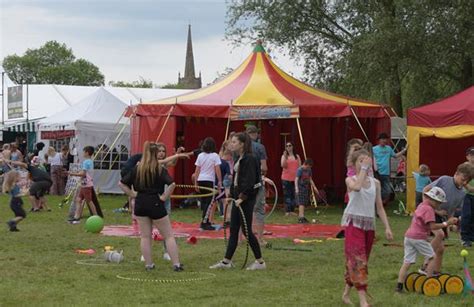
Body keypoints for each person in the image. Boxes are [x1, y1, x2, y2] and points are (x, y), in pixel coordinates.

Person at [119, 141, 190, 271]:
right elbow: (172, 184)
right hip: (155, 203)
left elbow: (121, 183)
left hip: (140, 203)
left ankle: (149, 265)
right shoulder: (159, 168)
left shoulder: (137, 168)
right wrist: (164, 197)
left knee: (145, 236)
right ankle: (176, 264)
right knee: (168, 235)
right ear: (155, 154)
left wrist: (132, 194)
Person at [341, 149, 393, 307]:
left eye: (366, 160)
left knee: (359, 262)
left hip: (368, 226)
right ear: (355, 164)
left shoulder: (375, 183)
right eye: (360, 161)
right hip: (353, 224)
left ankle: (345, 294)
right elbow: (356, 188)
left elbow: (379, 208)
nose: (364, 163)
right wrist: (363, 169)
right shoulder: (350, 180)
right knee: (358, 261)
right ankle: (363, 301)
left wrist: (387, 227)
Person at [209, 132, 266, 270]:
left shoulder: (250, 158)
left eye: (234, 142)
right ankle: (226, 261)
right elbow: (237, 181)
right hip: (237, 199)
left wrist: (242, 197)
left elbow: (251, 182)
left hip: (245, 200)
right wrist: (232, 196)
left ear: (242, 144)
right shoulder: (240, 158)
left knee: (246, 231)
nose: (231, 144)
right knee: (234, 230)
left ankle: (260, 262)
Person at [396, 186, 457, 292]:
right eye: (438, 202)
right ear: (433, 200)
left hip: (409, 237)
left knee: (407, 262)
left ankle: (399, 286)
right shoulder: (429, 210)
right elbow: (432, 227)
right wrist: (447, 223)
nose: (439, 205)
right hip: (418, 238)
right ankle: (429, 282)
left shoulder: (421, 205)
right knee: (432, 257)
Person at [422, 162, 473, 270]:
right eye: (463, 179)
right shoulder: (444, 180)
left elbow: (453, 209)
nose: (464, 183)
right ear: (456, 173)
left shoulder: (462, 193)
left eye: (467, 181)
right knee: (439, 234)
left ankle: (435, 272)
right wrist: (429, 209)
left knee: (440, 249)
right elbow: (425, 190)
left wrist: (449, 222)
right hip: (430, 212)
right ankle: (425, 263)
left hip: (442, 217)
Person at [193, 137, 222, 230]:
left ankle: (206, 221)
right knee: (209, 202)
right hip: (209, 181)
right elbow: (217, 169)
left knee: (205, 201)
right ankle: (204, 222)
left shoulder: (200, 155)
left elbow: (197, 170)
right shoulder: (215, 156)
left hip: (201, 180)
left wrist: (196, 183)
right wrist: (220, 181)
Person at [246, 125, 268, 245]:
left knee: (243, 210)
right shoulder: (260, 147)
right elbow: (264, 167)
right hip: (256, 183)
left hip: (243, 184)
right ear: (255, 134)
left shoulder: (240, 146)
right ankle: (259, 239)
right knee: (259, 210)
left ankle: (240, 238)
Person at [372, 133, 406, 205]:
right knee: (376, 189)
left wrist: (404, 151)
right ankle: (378, 203)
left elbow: (395, 156)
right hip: (377, 173)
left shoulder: (388, 148)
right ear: (379, 140)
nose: (384, 140)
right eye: (382, 139)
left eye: (385, 139)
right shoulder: (374, 149)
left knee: (387, 190)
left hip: (386, 173)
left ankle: (377, 201)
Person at [68, 146, 98, 223]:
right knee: (78, 200)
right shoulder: (90, 161)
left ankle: (96, 216)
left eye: (84, 152)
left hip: (86, 184)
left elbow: (83, 174)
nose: (83, 153)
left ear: (87, 153)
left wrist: (72, 173)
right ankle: (76, 216)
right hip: (84, 183)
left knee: (89, 201)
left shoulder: (86, 162)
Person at [281, 142, 301, 216]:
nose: (288, 147)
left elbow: (300, 167)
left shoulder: (297, 156)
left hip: (295, 179)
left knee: (293, 195)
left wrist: (300, 177)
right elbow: (283, 165)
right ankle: (287, 211)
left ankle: (292, 210)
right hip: (286, 178)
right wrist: (285, 157)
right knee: (287, 195)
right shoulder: (284, 156)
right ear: (286, 148)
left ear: (292, 147)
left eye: (290, 145)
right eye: (287, 146)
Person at [295, 159, 318, 223]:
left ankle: (301, 216)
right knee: (301, 203)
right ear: (305, 164)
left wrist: (314, 187)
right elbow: (296, 179)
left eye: (309, 167)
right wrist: (296, 188)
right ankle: (301, 217)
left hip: (305, 188)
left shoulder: (309, 170)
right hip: (300, 188)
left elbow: (310, 179)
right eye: (307, 167)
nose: (308, 168)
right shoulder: (300, 170)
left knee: (304, 202)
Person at [461, 147, 474, 247]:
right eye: (471, 155)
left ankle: (471, 238)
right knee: (467, 216)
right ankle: (465, 239)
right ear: (467, 156)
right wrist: (467, 186)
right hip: (466, 195)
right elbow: (459, 178)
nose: (473, 157)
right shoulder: (465, 166)